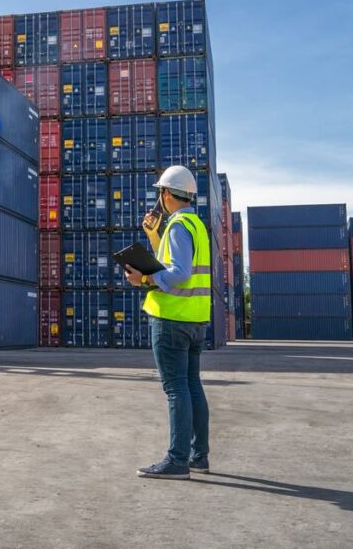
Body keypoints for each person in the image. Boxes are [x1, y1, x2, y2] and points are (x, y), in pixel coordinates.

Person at [123, 165, 211, 480]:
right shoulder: (195, 224)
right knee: (191, 386)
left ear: (165, 194)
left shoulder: (177, 225)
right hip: (195, 318)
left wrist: (143, 277)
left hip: (172, 318)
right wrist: (153, 235)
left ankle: (177, 461)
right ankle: (198, 455)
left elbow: (179, 273)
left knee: (176, 388)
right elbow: (176, 263)